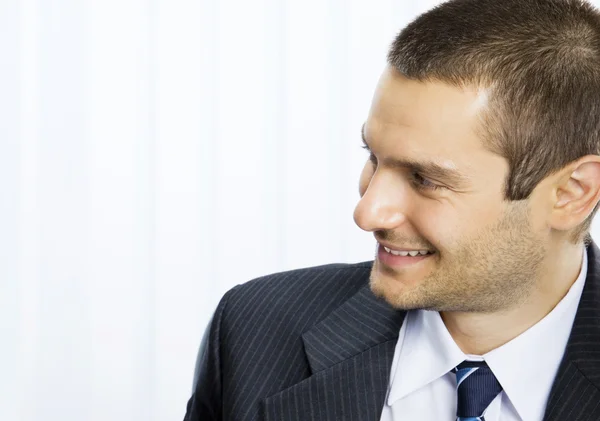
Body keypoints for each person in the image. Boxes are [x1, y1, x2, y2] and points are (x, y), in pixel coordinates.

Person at [184, 0, 600, 419]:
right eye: (373, 157)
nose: (368, 213)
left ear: (571, 193)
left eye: (425, 179)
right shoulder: (255, 330)